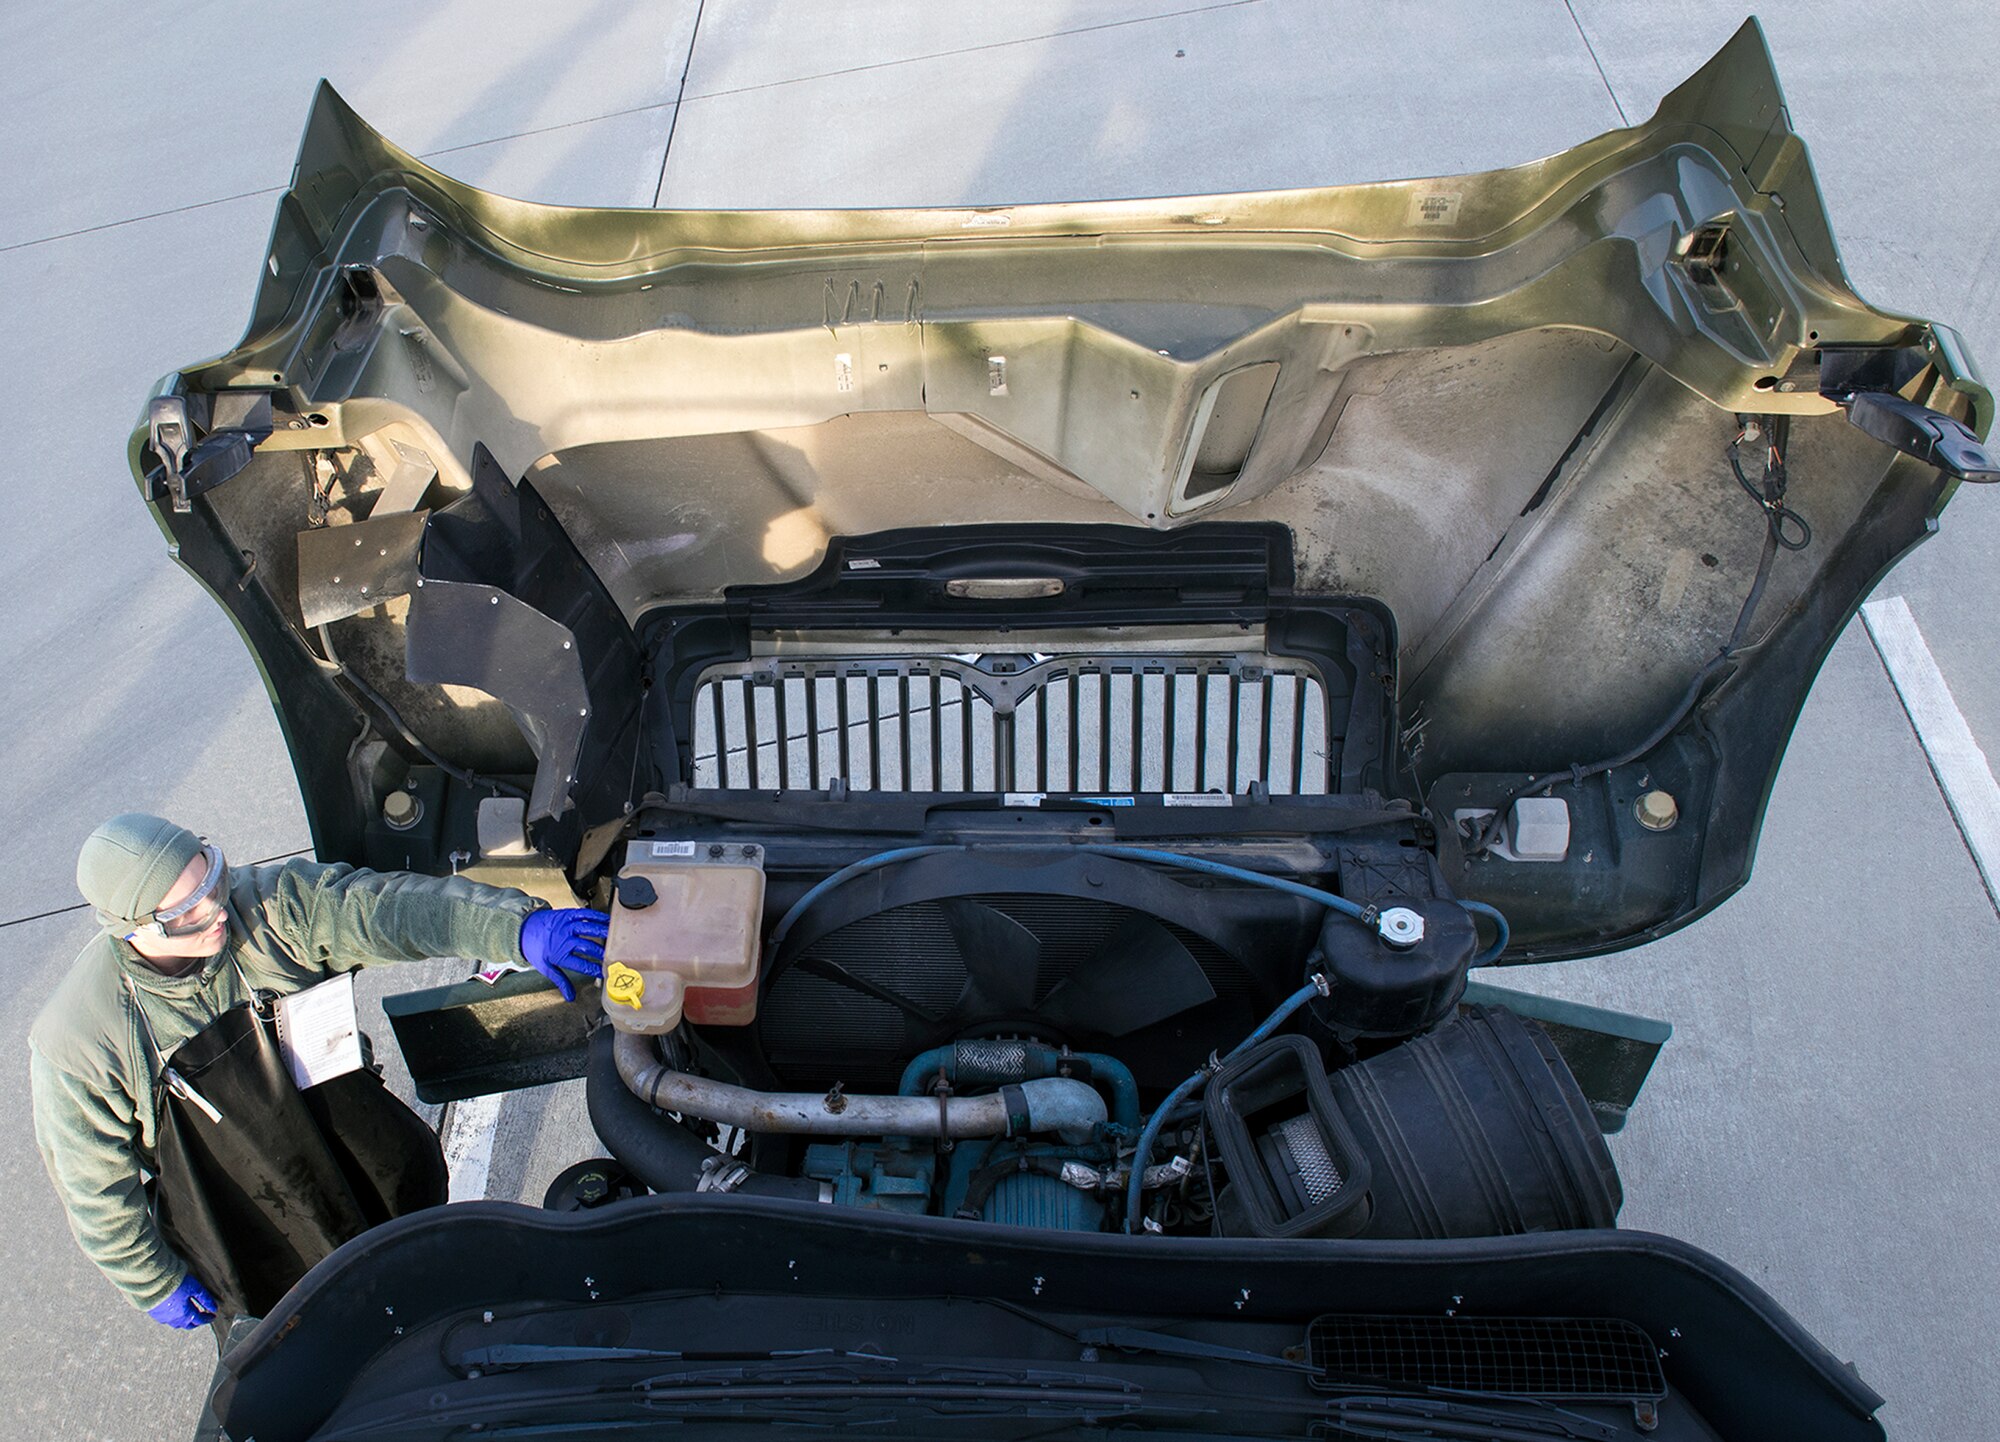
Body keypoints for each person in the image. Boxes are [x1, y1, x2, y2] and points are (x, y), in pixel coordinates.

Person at [29, 813, 609, 1330]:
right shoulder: (83, 1040)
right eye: (183, 913)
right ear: (130, 929)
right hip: (251, 1240)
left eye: (211, 879)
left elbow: (385, 909)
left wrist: (512, 929)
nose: (212, 911)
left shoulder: (267, 910)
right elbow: (94, 1191)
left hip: (364, 1166)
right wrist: (153, 1282)